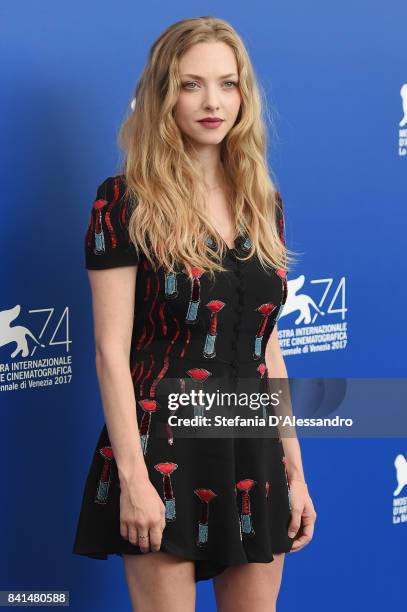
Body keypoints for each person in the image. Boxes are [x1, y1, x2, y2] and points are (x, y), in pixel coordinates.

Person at [73, 15, 317, 612]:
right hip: (162, 447)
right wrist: (133, 477)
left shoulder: (263, 201)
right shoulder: (124, 200)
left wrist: (294, 465)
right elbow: (110, 351)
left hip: (252, 444)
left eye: (228, 84)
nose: (213, 102)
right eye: (191, 84)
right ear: (163, 95)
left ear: (244, 94)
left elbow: (268, 343)